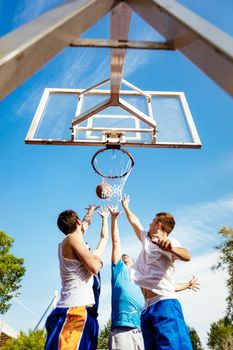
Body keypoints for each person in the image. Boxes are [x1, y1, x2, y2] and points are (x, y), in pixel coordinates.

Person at [121, 195, 193, 350]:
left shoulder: (169, 242)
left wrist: (171, 248)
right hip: (147, 309)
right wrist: (126, 207)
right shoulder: (147, 239)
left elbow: (187, 255)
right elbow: (134, 222)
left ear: (158, 224)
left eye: (152, 221)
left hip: (164, 304)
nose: (149, 223)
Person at [44, 205, 109, 350]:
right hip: (73, 311)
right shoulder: (72, 239)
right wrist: (97, 259)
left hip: (83, 310)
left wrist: (91, 211)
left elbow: (86, 223)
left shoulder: (73, 239)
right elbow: (94, 267)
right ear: (77, 223)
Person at [108, 205, 145, 350]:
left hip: (141, 329)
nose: (124, 255)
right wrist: (114, 219)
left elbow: (164, 287)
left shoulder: (141, 276)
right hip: (121, 329)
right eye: (123, 256)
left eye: (127, 256)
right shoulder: (118, 270)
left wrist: (185, 285)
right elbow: (116, 241)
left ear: (134, 261)